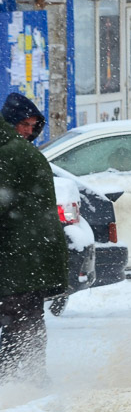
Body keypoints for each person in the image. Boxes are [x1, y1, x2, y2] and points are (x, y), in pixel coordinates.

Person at [0, 93, 67, 386]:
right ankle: (27, 378)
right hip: (28, 255)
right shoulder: (17, 153)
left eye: (32, 125)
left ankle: (21, 380)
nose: (28, 131)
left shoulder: (11, 152)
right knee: (25, 319)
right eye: (23, 124)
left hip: (20, 256)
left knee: (20, 319)